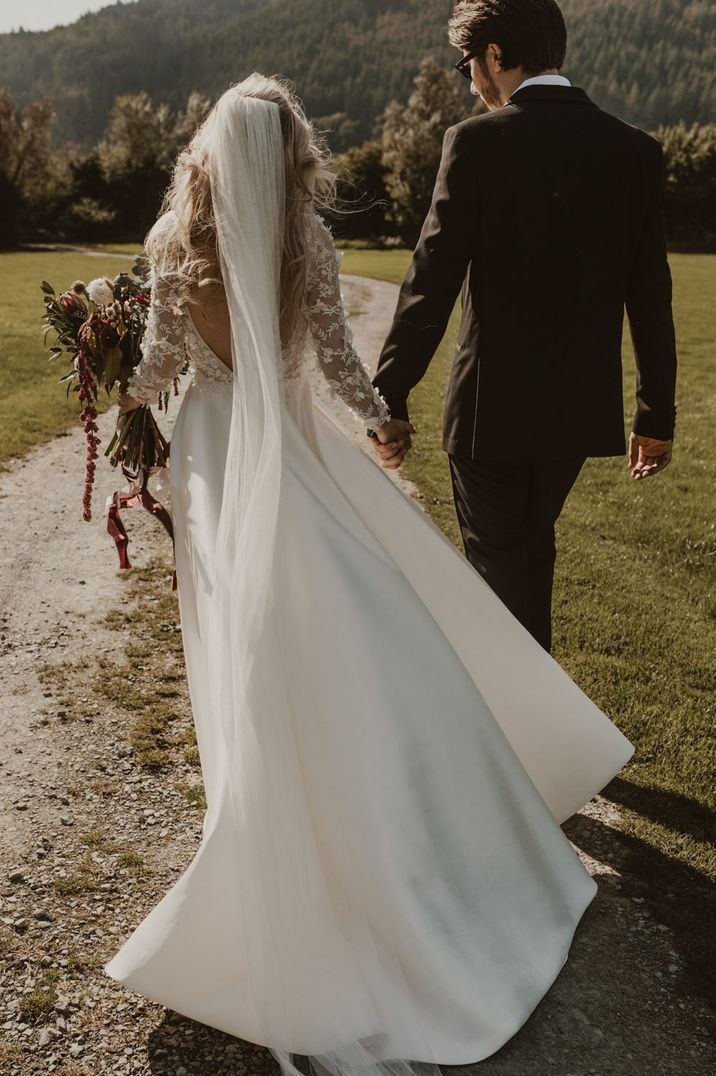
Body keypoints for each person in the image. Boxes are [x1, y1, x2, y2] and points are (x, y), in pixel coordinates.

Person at [104, 73, 634, 1076]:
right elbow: (336, 359)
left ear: (210, 151)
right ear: (288, 150)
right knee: (352, 607)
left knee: (242, 631)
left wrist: (123, 399)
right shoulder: (301, 237)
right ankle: (392, 809)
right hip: (295, 450)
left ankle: (264, 805)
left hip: (215, 453)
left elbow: (161, 364)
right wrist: (377, 423)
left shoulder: (176, 241)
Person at [371, 0, 678, 653]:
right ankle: (537, 735)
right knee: (529, 563)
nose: (470, 82)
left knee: (498, 585)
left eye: (467, 65)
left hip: (489, 417)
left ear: (496, 56)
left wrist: (388, 393)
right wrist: (656, 416)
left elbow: (431, 281)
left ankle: (519, 743)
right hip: (576, 415)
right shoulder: (635, 151)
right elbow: (651, 294)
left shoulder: (476, 142)